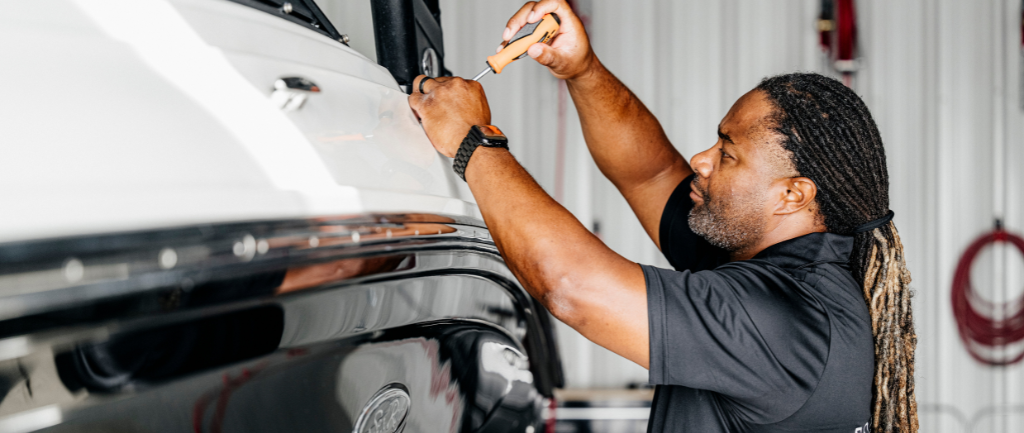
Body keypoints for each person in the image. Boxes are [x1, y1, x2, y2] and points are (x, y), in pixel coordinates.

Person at [407, 1, 917, 431]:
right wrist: (581, 69)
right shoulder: (767, 254)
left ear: (792, 195)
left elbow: (572, 288)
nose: (701, 159)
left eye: (728, 152)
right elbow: (648, 173)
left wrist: (473, 141)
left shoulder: (782, 320)